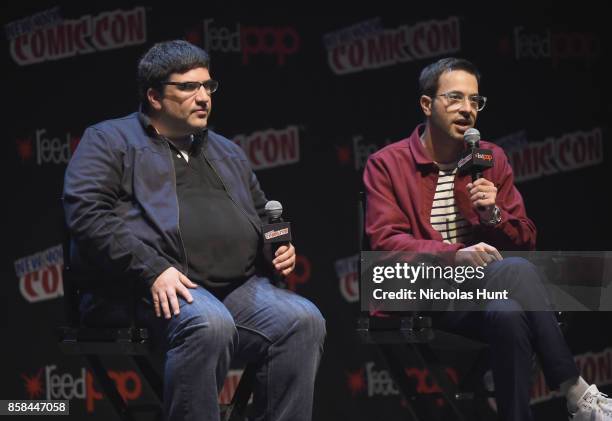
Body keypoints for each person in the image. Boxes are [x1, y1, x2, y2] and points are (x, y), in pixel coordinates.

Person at [63, 39, 325, 421]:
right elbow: (86, 214)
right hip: (145, 288)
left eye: (208, 86)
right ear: (154, 96)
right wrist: (152, 269)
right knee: (209, 323)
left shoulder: (226, 150)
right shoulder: (110, 140)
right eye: (188, 87)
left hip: (236, 289)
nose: (203, 97)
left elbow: (262, 213)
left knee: (303, 321)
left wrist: (277, 244)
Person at [363, 57, 611, 420]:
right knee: (514, 274)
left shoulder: (490, 158)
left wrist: (492, 215)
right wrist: (455, 256)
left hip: (483, 291)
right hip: (422, 291)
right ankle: (575, 390)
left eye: (475, 101)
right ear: (427, 105)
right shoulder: (387, 164)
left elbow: (525, 243)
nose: (467, 109)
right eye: (455, 98)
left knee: (508, 311)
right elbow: (385, 244)